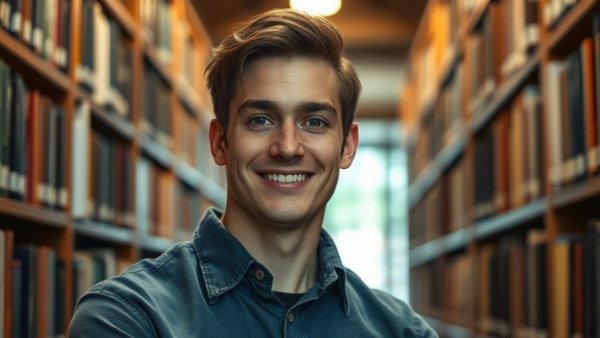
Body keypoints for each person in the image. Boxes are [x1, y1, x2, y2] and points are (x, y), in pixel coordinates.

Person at [69, 8, 437, 337]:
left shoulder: (402, 330)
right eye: (260, 120)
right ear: (220, 142)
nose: (288, 147)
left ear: (347, 146)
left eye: (314, 121)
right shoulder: (129, 317)